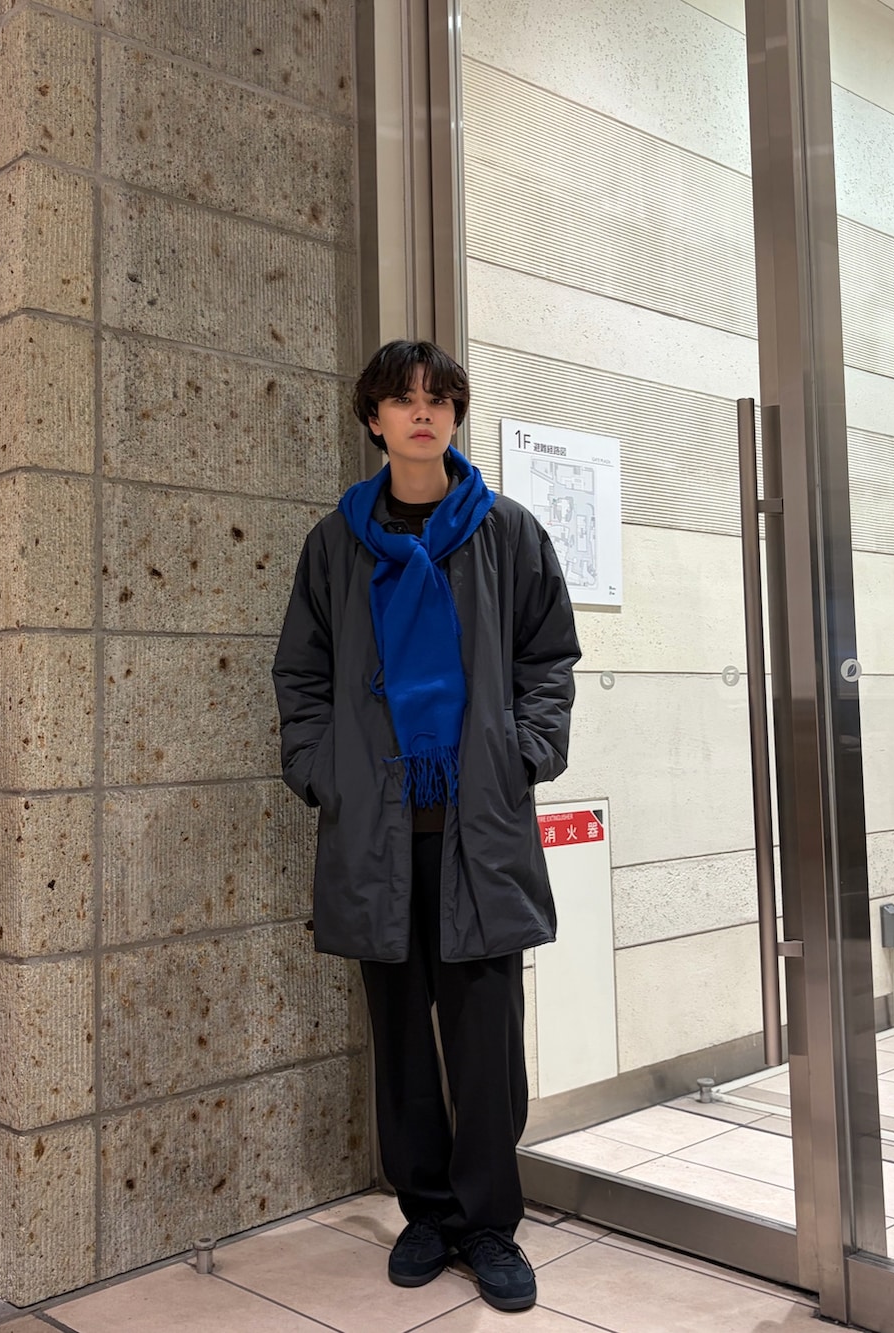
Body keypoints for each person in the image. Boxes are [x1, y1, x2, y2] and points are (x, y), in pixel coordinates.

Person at [273, 339, 580, 1312]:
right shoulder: (336, 543)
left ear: (454, 415)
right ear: (373, 419)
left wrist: (524, 750)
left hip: (477, 825)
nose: (421, 412)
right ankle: (427, 1213)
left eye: (437, 398)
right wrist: (321, 771)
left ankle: (489, 1224)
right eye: (402, 399)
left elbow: (548, 659)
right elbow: (302, 674)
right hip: (377, 828)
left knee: (487, 1043)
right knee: (402, 1038)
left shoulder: (509, 532)